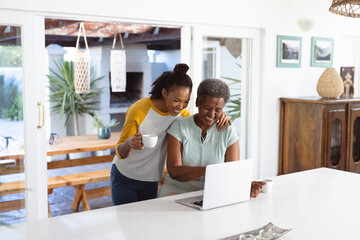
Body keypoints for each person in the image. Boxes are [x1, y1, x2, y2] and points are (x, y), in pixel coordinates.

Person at [111, 64, 229, 205]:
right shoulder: (139, 110)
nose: (180, 106)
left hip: (151, 179)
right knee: (126, 222)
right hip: (125, 175)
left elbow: (201, 121)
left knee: (147, 224)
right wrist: (130, 143)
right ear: (164, 93)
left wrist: (221, 116)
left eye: (186, 102)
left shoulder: (181, 115)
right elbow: (120, 153)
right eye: (176, 100)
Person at [159, 78, 265, 198]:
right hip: (177, 188)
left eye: (218, 110)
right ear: (197, 102)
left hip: (215, 190)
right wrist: (210, 171)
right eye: (207, 108)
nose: (212, 114)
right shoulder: (179, 127)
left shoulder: (228, 131)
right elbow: (174, 171)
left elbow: (232, 172)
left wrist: (245, 186)